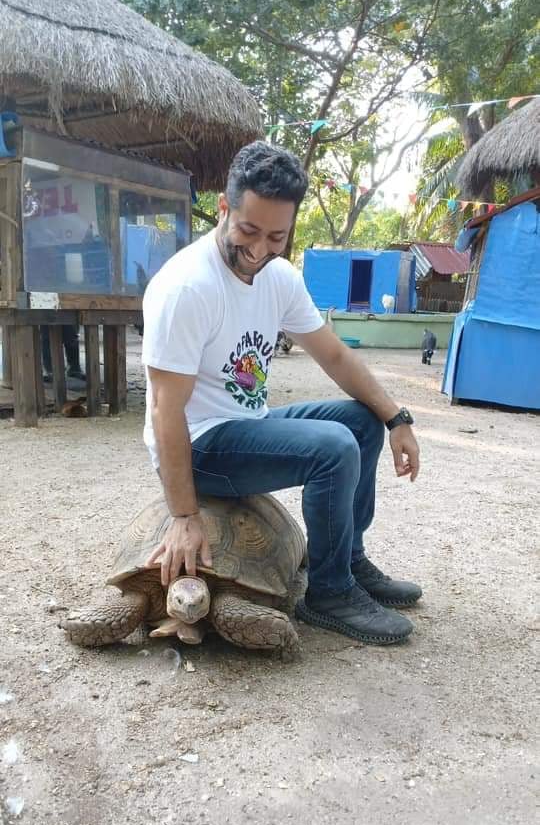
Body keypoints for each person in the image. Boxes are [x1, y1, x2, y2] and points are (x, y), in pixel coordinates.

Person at [141, 142, 422, 646]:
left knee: (359, 422)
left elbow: (334, 356)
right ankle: (329, 594)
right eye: (248, 231)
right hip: (199, 445)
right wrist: (185, 515)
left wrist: (396, 417)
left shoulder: (279, 276)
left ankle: (348, 561)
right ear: (224, 209)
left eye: (276, 236)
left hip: (247, 422)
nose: (259, 249)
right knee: (333, 449)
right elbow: (166, 410)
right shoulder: (186, 287)